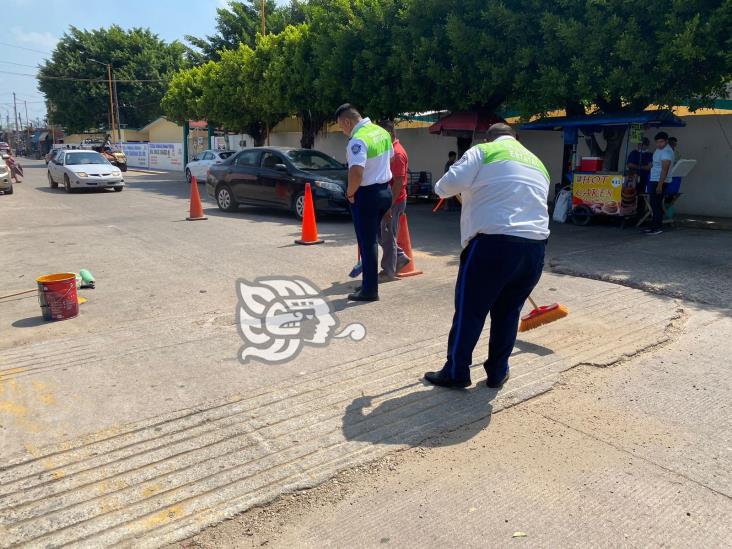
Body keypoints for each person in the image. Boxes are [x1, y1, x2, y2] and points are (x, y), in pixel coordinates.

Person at [425, 123, 550, 389]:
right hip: (535, 247)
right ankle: (497, 372)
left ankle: (457, 372)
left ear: (487, 138)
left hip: (493, 246)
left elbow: (445, 186)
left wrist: (463, 188)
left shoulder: (483, 151)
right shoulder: (537, 161)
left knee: (470, 311)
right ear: (516, 138)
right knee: (508, 312)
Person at [335, 103, 393, 302]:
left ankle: (369, 290)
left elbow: (356, 172)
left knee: (367, 243)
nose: (343, 131)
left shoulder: (357, 140)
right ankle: (369, 284)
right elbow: (389, 158)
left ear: (347, 121)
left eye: (341, 127)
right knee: (372, 241)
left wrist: (350, 193)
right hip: (385, 191)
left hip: (367, 195)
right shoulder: (381, 132)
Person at [377, 120, 412, 279]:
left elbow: (398, 182)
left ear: (389, 134)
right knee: (383, 234)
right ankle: (400, 257)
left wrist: (389, 206)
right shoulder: (390, 150)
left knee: (388, 235)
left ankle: (389, 271)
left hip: (394, 201)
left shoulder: (397, 153)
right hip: (391, 200)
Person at [645, 131, 675, 235]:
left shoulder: (666, 152)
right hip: (654, 179)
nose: (659, 144)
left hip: (659, 181)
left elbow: (665, 170)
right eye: (657, 142)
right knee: (654, 204)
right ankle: (654, 226)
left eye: (661, 142)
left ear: (666, 141)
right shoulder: (658, 150)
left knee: (656, 204)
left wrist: (660, 185)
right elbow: (656, 164)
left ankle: (656, 227)